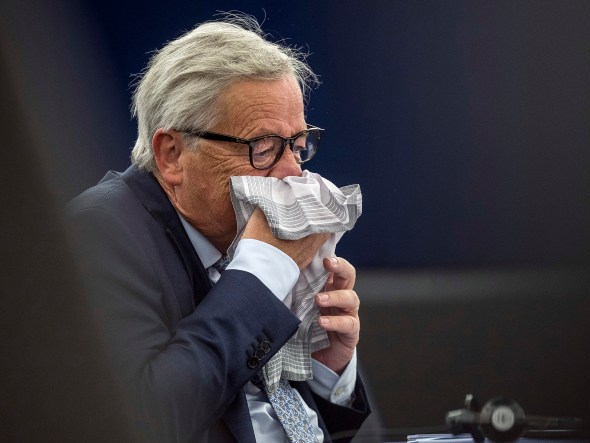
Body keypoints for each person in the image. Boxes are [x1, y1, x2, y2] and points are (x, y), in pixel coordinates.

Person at [66, 14, 371, 443]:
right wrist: (260, 277)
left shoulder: (248, 235)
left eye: (299, 147)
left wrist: (328, 368)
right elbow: (142, 419)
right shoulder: (96, 235)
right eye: (262, 147)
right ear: (172, 154)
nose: (291, 174)